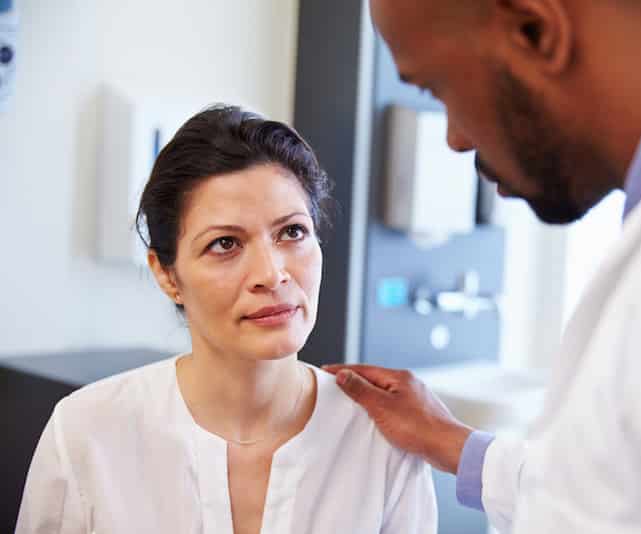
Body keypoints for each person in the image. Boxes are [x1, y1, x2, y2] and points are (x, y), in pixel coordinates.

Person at [325, 1, 641, 532]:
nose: (455, 139)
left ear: (536, 31)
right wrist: (453, 444)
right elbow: (613, 492)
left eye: (437, 87)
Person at [16, 106, 437, 534]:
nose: (272, 274)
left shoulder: (382, 442)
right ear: (166, 274)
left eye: (292, 232)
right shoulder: (87, 432)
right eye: (225, 243)